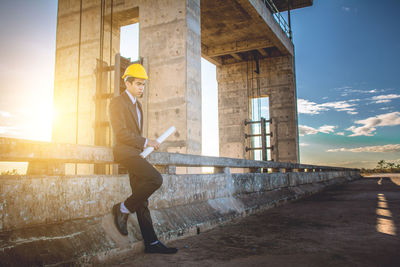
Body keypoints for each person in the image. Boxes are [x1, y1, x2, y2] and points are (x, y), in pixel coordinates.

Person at [109, 63, 178, 254]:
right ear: (127, 83)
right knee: (156, 179)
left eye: (143, 85)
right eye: (138, 84)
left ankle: (152, 243)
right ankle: (123, 208)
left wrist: (144, 146)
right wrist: (147, 141)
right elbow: (121, 133)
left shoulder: (138, 105)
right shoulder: (117, 102)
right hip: (125, 152)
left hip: (137, 154)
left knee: (143, 200)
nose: (142, 88)